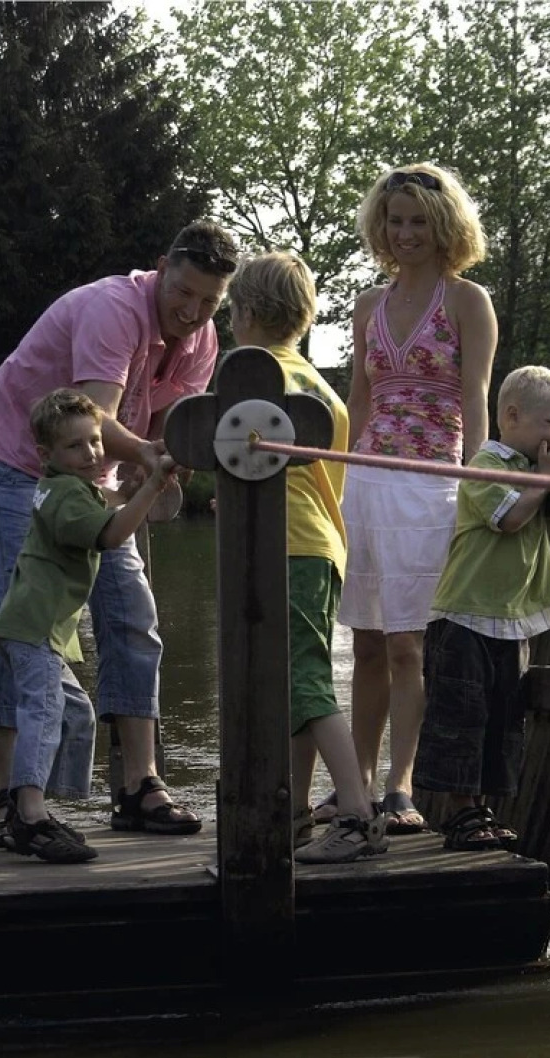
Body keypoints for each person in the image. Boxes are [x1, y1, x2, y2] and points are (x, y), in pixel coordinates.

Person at [0, 220, 238, 845]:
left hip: (96, 473)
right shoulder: (113, 309)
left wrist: (177, 457)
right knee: (19, 618)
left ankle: (140, 786)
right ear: (162, 265)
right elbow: (99, 418)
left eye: (208, 302)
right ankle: (9, 800)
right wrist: (148, 455)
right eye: (184, 292)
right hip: (13, 461)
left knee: (131, 613)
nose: (192, 311)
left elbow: (169, 425)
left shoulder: (201, 342)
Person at [319, 163, 497, 835]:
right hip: (367, 483)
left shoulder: (466, 301)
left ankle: (402, 784)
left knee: (407, 649)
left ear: (445, 225)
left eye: (419, 220)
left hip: (431, 487)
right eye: (395, 220)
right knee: (364, 645)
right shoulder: (367, 304)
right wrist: (336, 488)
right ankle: (355, 784)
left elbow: (477, 396)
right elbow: (359, 403)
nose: (406, 232)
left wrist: (476, 483)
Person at [227, 251, 389, 863]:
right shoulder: (321, 386)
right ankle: (291, 813)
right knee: (297, 684)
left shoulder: (252, 378)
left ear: (241, 313)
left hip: (285, 546)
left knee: (306, 683)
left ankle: (355, 813)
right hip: (323, 547)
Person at [0, 389, 178, 862]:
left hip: (39, 629)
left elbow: (114, 500)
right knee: (45, 710)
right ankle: (29, 815)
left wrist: (143, 483)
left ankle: (41, 806)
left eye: (96, 442)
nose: (92, 453)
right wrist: (153, 488)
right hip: (35, 627)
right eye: (75, 446)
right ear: (46, 455)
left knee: (77, 713)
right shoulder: (61, 496)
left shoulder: (73, 488)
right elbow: (113, 533)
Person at [420, 365, 550, 850]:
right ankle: (460, 813)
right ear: (514, 416)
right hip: (464, 617)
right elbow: (512, 519)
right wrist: (545, 481)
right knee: (462, 719)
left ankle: (481, 810)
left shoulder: (532, 468)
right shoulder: (486, 466)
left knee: (500, 718)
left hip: (509, 620)